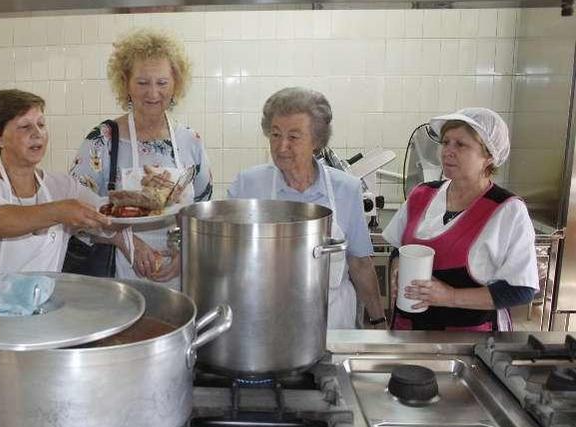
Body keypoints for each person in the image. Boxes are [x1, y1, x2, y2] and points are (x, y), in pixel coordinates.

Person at [228, 87, 385, 329]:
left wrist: (378, 320)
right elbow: (229, 258)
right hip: (266, 326)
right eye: (275, 135)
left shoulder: (346, 188)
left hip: (331, 325)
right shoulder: (247, 185)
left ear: (317, 140)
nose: (281, 147)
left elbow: (360, 264)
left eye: (293, 137)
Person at [70, 28, 212, 287]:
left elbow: (203, 208)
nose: (153, 93)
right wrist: (128, 242)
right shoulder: (102, 140)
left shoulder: (190, 141)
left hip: (180, 274)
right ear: (125, 83)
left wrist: (185, 250)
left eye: (162, 82)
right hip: (119, 276)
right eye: (142, 82)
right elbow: (76, 211)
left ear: (176, 84)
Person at [382, 107, 538, 331]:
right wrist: (398, 269)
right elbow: (399, 247)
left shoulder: (507, 210)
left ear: (489, 156)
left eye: (461, 144)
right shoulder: (421, 195)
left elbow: (520, 289)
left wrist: (450, 296)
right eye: (445, 143)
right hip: (410, 331)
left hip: (471, 340)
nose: (448, 151)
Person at [0, 89, 110, 278]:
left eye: (41, 124)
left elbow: (105, 215)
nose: (37, 133)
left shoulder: (62, 186)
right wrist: (60, 211)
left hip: (40, 304)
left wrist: (131, 202)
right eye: (25, 126)